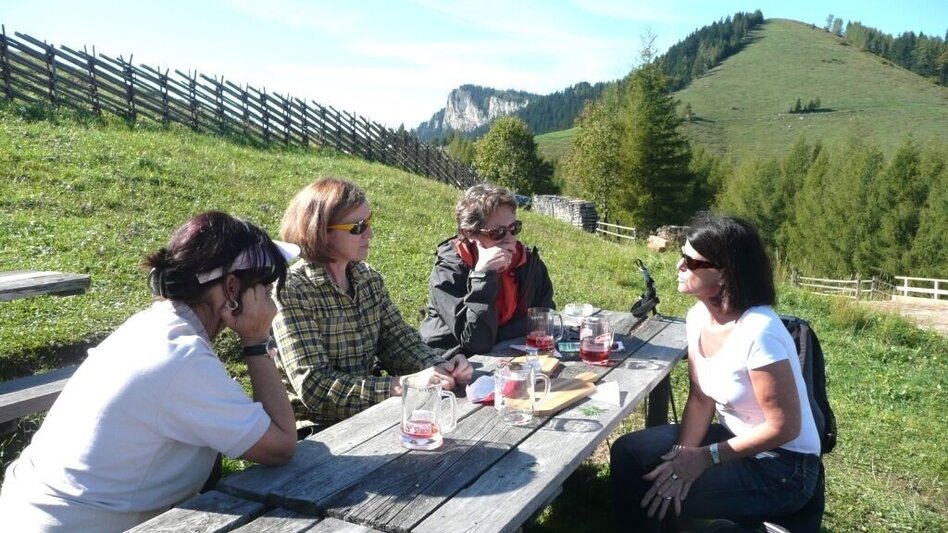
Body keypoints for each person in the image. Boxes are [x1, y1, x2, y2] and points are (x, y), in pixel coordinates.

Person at [0, 212, 298, 532]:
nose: (269, 296)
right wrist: (256, 340)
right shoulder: (183, 358)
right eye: (265, 285)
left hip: (34, 510)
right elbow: (280, 446)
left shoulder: (156, 327)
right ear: (232, 287)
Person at [609, 213, 821, 532]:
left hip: (784, 467)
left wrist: (704, 458)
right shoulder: (698, 316)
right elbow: (700, 399)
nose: (679, 266)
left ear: (723, 274)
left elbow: (785, 427)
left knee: (647, 484)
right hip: (733, 438)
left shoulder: (759, 331)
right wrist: (682, 456)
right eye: (682, 255)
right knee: (628, 453)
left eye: (690, 261)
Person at [273, 177, 472, 427]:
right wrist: (400, 385)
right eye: (358, 227)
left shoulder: (367, 278)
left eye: (369, 222)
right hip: (315, 431)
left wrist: (440, 367)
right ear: (321, 231)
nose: (370, 233)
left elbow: (398, 340)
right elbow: (314, 387)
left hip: (369, 416)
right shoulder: (291, 289)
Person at [419, 184, 555, 355]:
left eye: (514, 228)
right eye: (497, 232)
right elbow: (477, 341)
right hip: (455, 361)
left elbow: (543, 320)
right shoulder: (449, 271)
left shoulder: (528, 263)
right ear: (469, 233)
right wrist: (483, 275)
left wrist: (499, 336)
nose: (510, 239)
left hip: (510, 354)